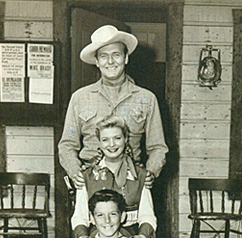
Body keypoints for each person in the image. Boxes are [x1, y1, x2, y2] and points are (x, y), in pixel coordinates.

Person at [58, 24, 168, 191]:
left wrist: (150, 172)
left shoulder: (146, 99)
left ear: (126, 58)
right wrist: (75, 173)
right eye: (103, 56)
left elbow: (158, 147)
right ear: (96, 61)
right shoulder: (80, 98)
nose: (110, 62)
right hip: (91, 181)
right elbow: (66, 145)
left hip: (132, 181)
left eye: (116, 55)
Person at [72, 114, 157, 238]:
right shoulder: (87, 176)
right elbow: (80, 216)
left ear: (126, 139)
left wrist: (142, 237)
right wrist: (81, 237)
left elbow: (147, 215)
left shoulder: (141, 175)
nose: (111, 145)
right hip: (98, 237)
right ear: (99, 143)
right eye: (105, 140)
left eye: (117, 138)